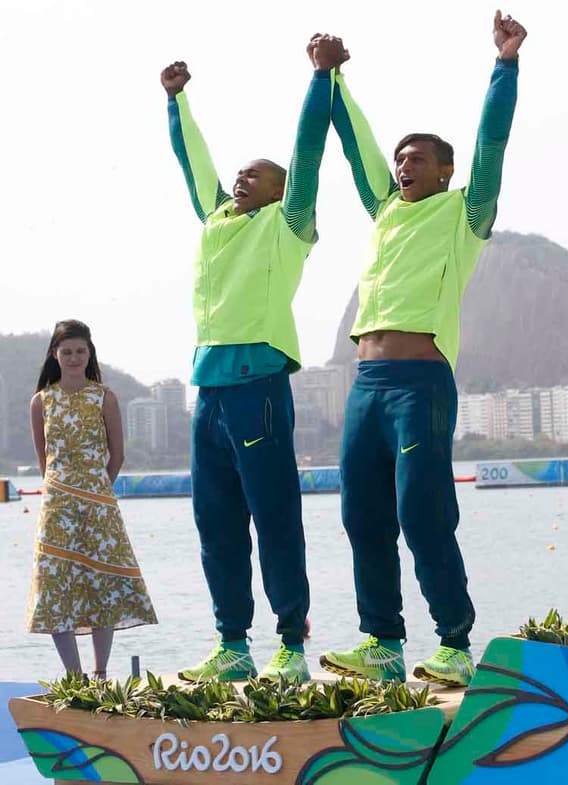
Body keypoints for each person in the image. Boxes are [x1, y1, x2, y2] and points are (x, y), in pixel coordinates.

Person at [312, 12, 527, 686]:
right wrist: (332, 77)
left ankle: (456, 644)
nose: (403, 166)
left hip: (420, 383)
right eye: (400, 159)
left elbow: (492, 142)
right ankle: (382, 642)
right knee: (361, 512)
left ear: (444, 171)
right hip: (365, 384)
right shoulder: (384, 211)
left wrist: (505, 67)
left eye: (417, 159)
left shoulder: (464, 213)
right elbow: (357, 146)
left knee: (421, 509)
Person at [160, 37, 342, 683]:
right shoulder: (217, 221)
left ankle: (291, 645)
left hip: (258, 385)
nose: (242, 178)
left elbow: (308, 154)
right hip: (207, 390)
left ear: (280, 193)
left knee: (274, 517)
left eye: (256, 174)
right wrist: (177, 101)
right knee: (215, 524)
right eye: (241, 172)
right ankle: (231, 642)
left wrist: (320, 81)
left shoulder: (286, 224)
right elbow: (194, 165)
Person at [27, 320, 157, 679]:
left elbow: (117, 455)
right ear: (55, 354)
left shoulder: (104, 396)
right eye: (66, 351)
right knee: (54, 584)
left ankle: (100, 674)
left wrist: (98, 490)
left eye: (80, 351)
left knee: (104, 583)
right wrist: (63, 491)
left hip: (99, 504)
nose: (73, 358)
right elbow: (44, 459)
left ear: (89, 354)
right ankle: (74, 675)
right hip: (57, 506)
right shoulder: (41, 401)